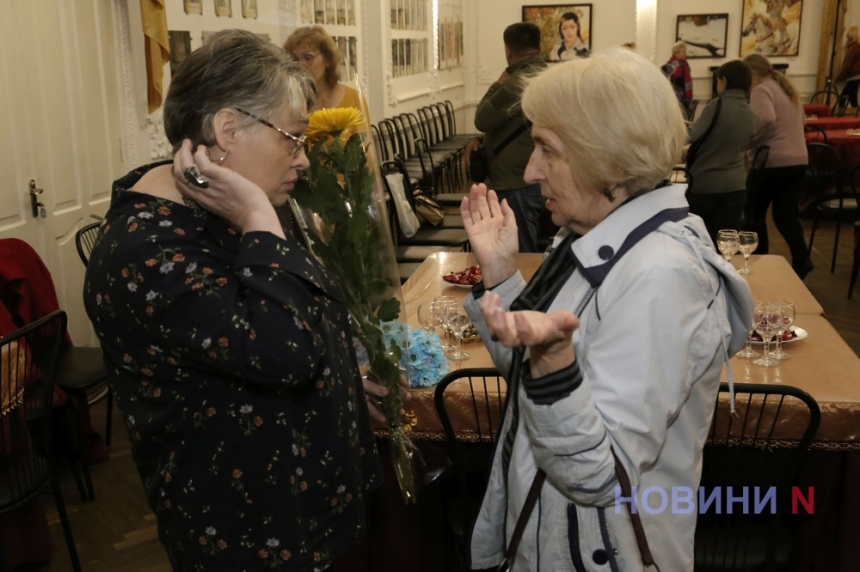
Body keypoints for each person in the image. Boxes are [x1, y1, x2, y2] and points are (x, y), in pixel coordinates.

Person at [83, 30, 386, 571]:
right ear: (227, 129)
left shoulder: (242, 204)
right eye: (292, 138)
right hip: (252, 536)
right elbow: (282, 352)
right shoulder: (146, 248)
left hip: (307, 510)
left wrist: (338, 380)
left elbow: (293, 310)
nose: (304, 160)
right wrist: (258, 221)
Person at [460, 49, 753, 571]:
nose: (530, 171)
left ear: (612, 162)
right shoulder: (596, 236)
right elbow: (530, 379)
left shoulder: (660, 274)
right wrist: (502, 274)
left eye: (547, 149)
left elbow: (599, 475)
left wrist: (554, 361)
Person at [468, 22, 547, 253]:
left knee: (519, 253)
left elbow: (482, 118)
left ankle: (525, 289)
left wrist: (496, 84)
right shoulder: (547, 76)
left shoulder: (517, 81)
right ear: (539, 47)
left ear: (508, 50)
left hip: (516, 183)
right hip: (534, 176)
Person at [743, 53, 813, 278]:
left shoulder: (761, 89)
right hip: (798, 160)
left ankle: (760, 261)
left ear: (753, 74)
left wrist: (749, 142)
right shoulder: (786, 88)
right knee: (785, 215)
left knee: (755, 213)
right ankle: (802, 258)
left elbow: (766, 119)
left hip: (772, 162)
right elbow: (802, 121)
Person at [686, 59, 757, 243]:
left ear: (724, 81)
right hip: (736, 186)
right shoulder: (751, 113)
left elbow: (691, 136)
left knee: (702, 242)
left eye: (718, 81)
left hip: (705, 185)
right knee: (726, 245)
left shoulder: (716, 106)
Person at [284, 25, 370, 126]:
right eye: (294, 59)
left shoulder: (354, 98)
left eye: (308, 57)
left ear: (328, 59)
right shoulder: (290, 103)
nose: (300, 65)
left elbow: (364, 140)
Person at [662, 41, 693, 119]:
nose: (685, 54)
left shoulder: (686, 65)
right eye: (683, 52)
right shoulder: (667, 67)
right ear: (676, 53)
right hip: (673, 99)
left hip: (685, 100)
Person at [836, 25, 860, 109]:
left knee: (842, 99)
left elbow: (847, 65)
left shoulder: (854, 48)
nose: (847, 39)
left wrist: (837, 78)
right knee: (852, 100)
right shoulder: (857, 47)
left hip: (853, 76)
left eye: (848, 37)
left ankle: (840, 118)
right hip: (856, 76)